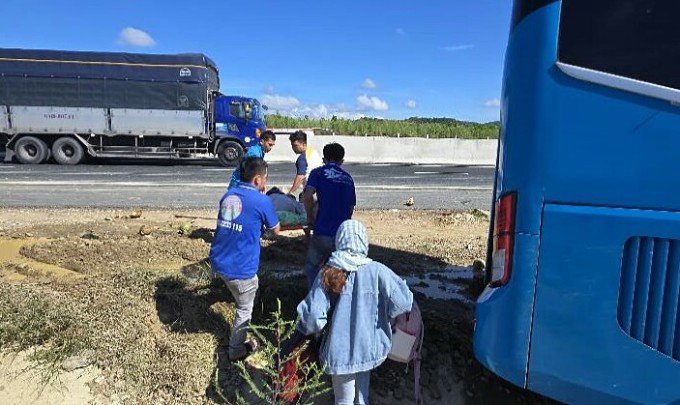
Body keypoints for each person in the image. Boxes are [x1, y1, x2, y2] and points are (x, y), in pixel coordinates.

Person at [290, 220, 414, 405]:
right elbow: (404, 302)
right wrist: (385, 312)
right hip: (368, 347)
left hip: (339, 352)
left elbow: (313, 318)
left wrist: (302, 332)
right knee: (361, 397)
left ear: (339, 240)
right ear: (364, 241)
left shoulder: (328, 272)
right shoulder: (378, 271)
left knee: (344, 400)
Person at [210, 157, 281, 361]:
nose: (266, 182)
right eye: (265, 178)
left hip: (218, 260)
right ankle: (236, 350)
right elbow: (275, 229)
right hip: (240, 268)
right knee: (244, 308)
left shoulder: (228, 195)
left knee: (243, 294)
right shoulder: (262, 200)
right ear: (258, 180)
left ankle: (244, 302)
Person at [301, 142, 356, 286]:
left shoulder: (318, 173)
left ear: (324, 159)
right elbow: (350, 208)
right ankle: (336, 300)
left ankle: (315, 297)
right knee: (338, 271)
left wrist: (310, 217)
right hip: (341, 234)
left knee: (312, 266)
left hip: (322, 230)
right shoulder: (348, 178)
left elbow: (307, 196)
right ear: (342, 161)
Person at [287, 130, 322, 196]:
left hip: (311, 191)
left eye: (295, 145)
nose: (293, 148)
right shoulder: (313, 152)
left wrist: (291, 192)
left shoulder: (302, 158)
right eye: (292, 145)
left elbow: (301, 177)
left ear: (304, 144)